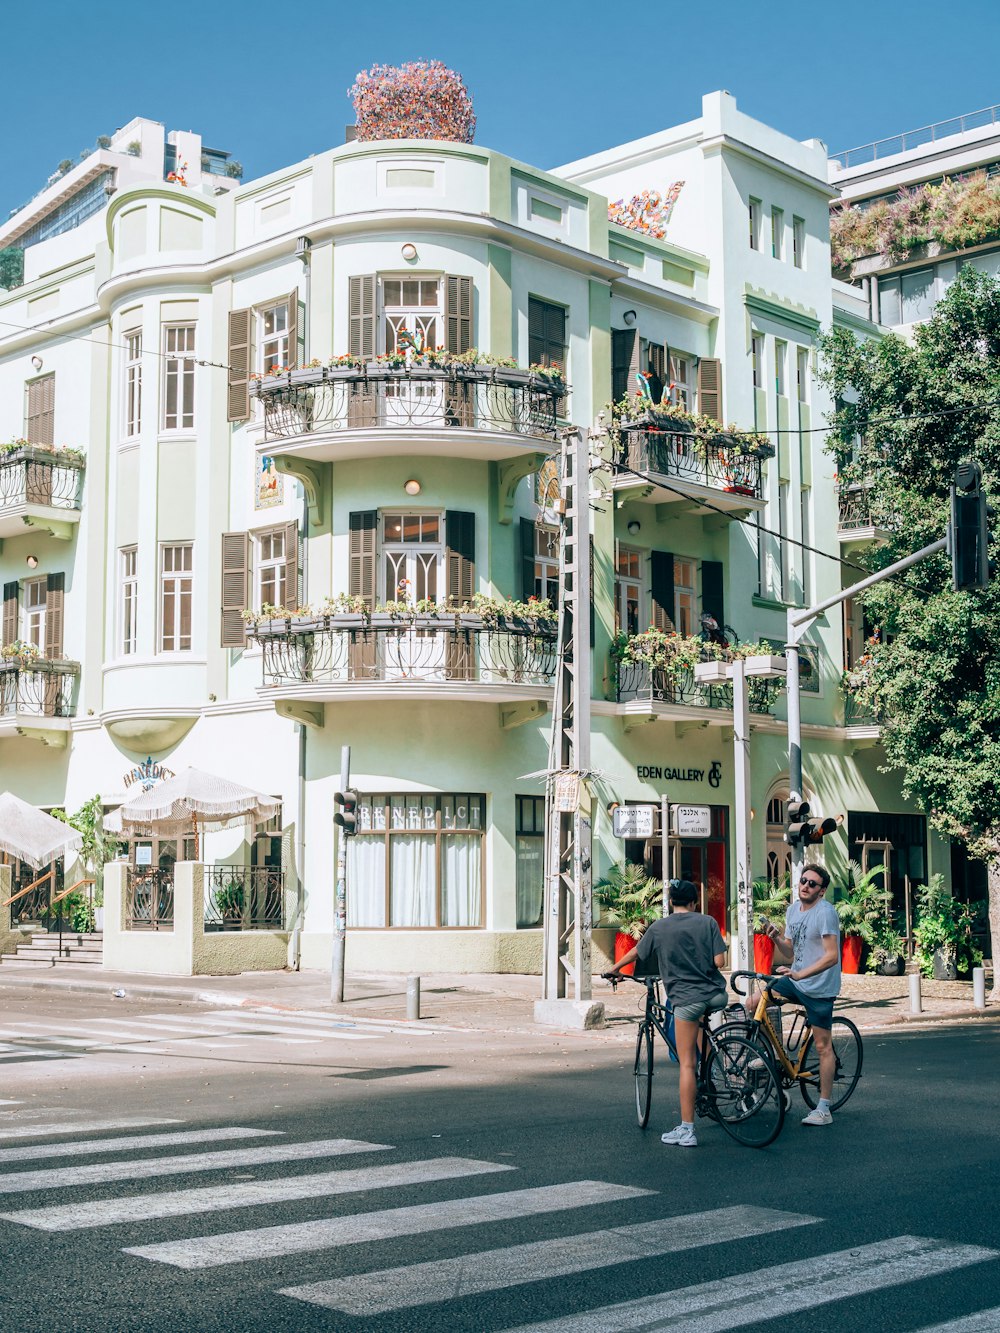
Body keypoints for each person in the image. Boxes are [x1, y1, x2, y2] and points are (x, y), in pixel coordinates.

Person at [610, 879, 727, 1149]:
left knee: (687, 1064)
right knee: (700, 1031)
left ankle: (687, 1129)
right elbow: (720, 962)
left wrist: (615, 969)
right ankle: (712, 1074)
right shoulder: (708, 922)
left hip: (686, 999)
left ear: (671, 902)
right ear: (694, 902)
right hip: (716, 994)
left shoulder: (660, 927)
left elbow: (636, 953)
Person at [765, 863, 841, 1127]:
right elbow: (789, 952)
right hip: (796, 979)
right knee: (757, 1003)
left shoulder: (825, 913)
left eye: (812, 884)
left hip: (819, 987)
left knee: (823, 1047)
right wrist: (776, 938)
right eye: (803, 881)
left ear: (822, 891)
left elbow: (832, 956)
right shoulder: (792, 910)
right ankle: (767, 1057)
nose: (806, 886)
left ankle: (824, 1108)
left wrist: (801, 974)